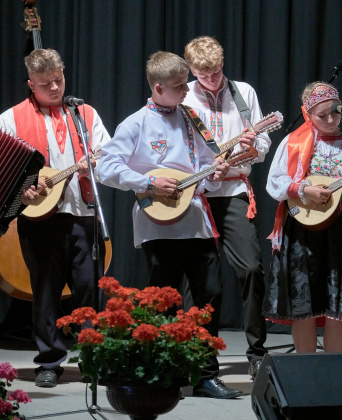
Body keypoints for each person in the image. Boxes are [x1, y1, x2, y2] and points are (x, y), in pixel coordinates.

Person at [97, 51, 239, 399]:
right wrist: (147, 183)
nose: (186, 92)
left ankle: (206, 375)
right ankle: (169, 372)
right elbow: (106, 168)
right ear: (158, 88)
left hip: (195, 220)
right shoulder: (136, 123)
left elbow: (206, 165)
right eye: (178, 87)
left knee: (210, 295)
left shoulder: (191, 118)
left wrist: (215, 172)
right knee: (166, 300)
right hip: (157, 224)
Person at [0, 48, 111, 388]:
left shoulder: (85, 113)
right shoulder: (10, 118)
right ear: (30, 83)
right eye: (45, 83)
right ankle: (49, 360)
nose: (54, 88)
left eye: (59, 80)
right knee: (44, 292)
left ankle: (93, 360)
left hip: (83, 213)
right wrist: (24, 194)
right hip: (38, 220)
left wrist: (97, 163)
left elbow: (108, 158)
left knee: (88, 290)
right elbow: (6, 171)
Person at [265, 82, 342, 353]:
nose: (330, 119)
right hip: (303, 230)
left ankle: (333, 370)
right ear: (308, 113)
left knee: (339, 301)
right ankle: (308, 368)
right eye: (322, 115)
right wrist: (304, 189)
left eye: (335, 113)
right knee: (304, 300)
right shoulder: (294, 141)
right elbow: (274, 183)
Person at [183, 36, 269, 380]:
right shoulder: (184, 95)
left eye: (217, 71)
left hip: (233, 189)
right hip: (197, 193)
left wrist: (250, 147)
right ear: (192, 70)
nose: (213, 79)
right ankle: (201, 359)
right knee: (203, 283)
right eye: (205, 74)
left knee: (251, 268)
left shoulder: (243, 92)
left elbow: (263, 143)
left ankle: (257, 352)